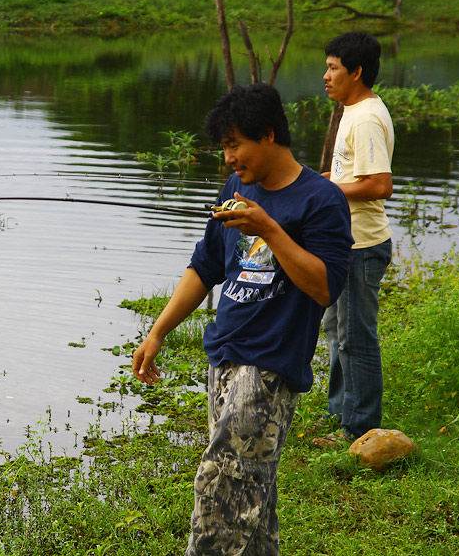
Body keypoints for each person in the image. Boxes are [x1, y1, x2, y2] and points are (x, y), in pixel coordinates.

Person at [131, 83, 352, 555]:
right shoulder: (237, 188)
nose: (229, 157)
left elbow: (326, 287)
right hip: (224, 356)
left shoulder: (321, 199)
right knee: (254, 499)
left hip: (269, 366)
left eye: (235, 144)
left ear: (268, 134)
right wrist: (157, 331)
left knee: (222, 493)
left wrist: (269, 229)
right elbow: (205, 266)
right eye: (224, 146)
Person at [318, 31, 394, 446]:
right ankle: (341, 415)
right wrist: (329, 181)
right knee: (335, 328)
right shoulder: (353, 109)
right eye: (327, 67)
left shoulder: (365, 118)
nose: (326, 76)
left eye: (333, 68)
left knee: (355, 336)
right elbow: (356, 178)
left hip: (361, 244)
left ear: (356, 72)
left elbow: (380, 185)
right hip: (344, 242)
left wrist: (329, 191)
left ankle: (359, 428)